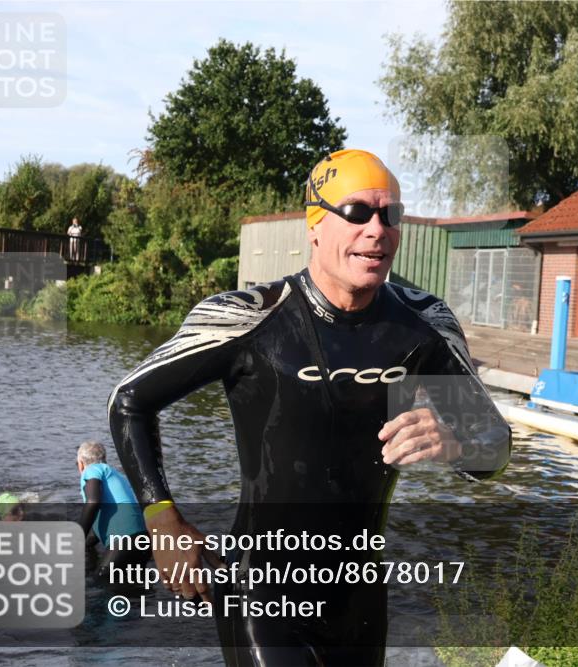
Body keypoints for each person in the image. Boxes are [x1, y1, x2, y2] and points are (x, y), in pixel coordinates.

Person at [109, 148, 512, 666]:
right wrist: (162, 520)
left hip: (359, 596)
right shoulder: (251, 319)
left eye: (391, 214)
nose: (378, 229)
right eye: (358, 212)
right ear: (315, 225)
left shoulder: (422, 326)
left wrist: (456, 443)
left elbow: (495, 447)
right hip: (261, 590)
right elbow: (129, 403)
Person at [76, 441, 151, 581]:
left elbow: (93, 502)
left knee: (100, 582)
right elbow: (95, 531)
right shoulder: (116, 476)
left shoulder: (92, 470)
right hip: (144, 540)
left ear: (80, 463)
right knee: (132, 588)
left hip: (125, 540)